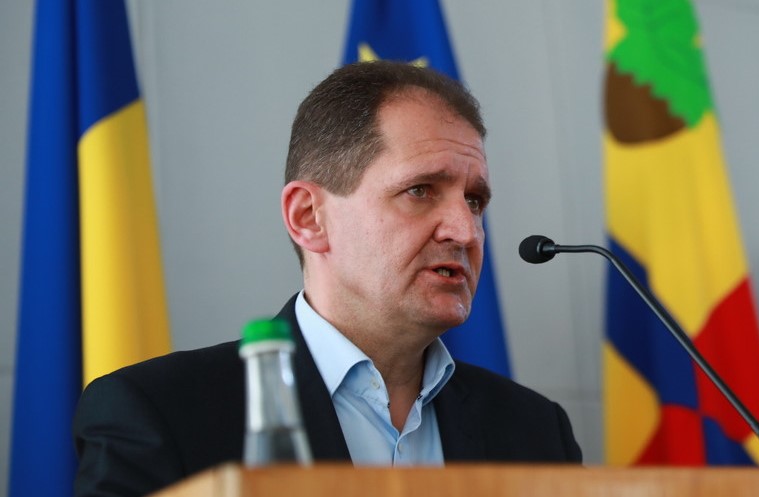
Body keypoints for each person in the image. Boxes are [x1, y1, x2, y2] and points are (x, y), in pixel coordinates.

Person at [73, 60, 582, 497]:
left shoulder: (537, 433)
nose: (465, 230)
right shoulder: (162, 414)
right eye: (421, 190)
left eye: (474, 200)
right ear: (309, 218)